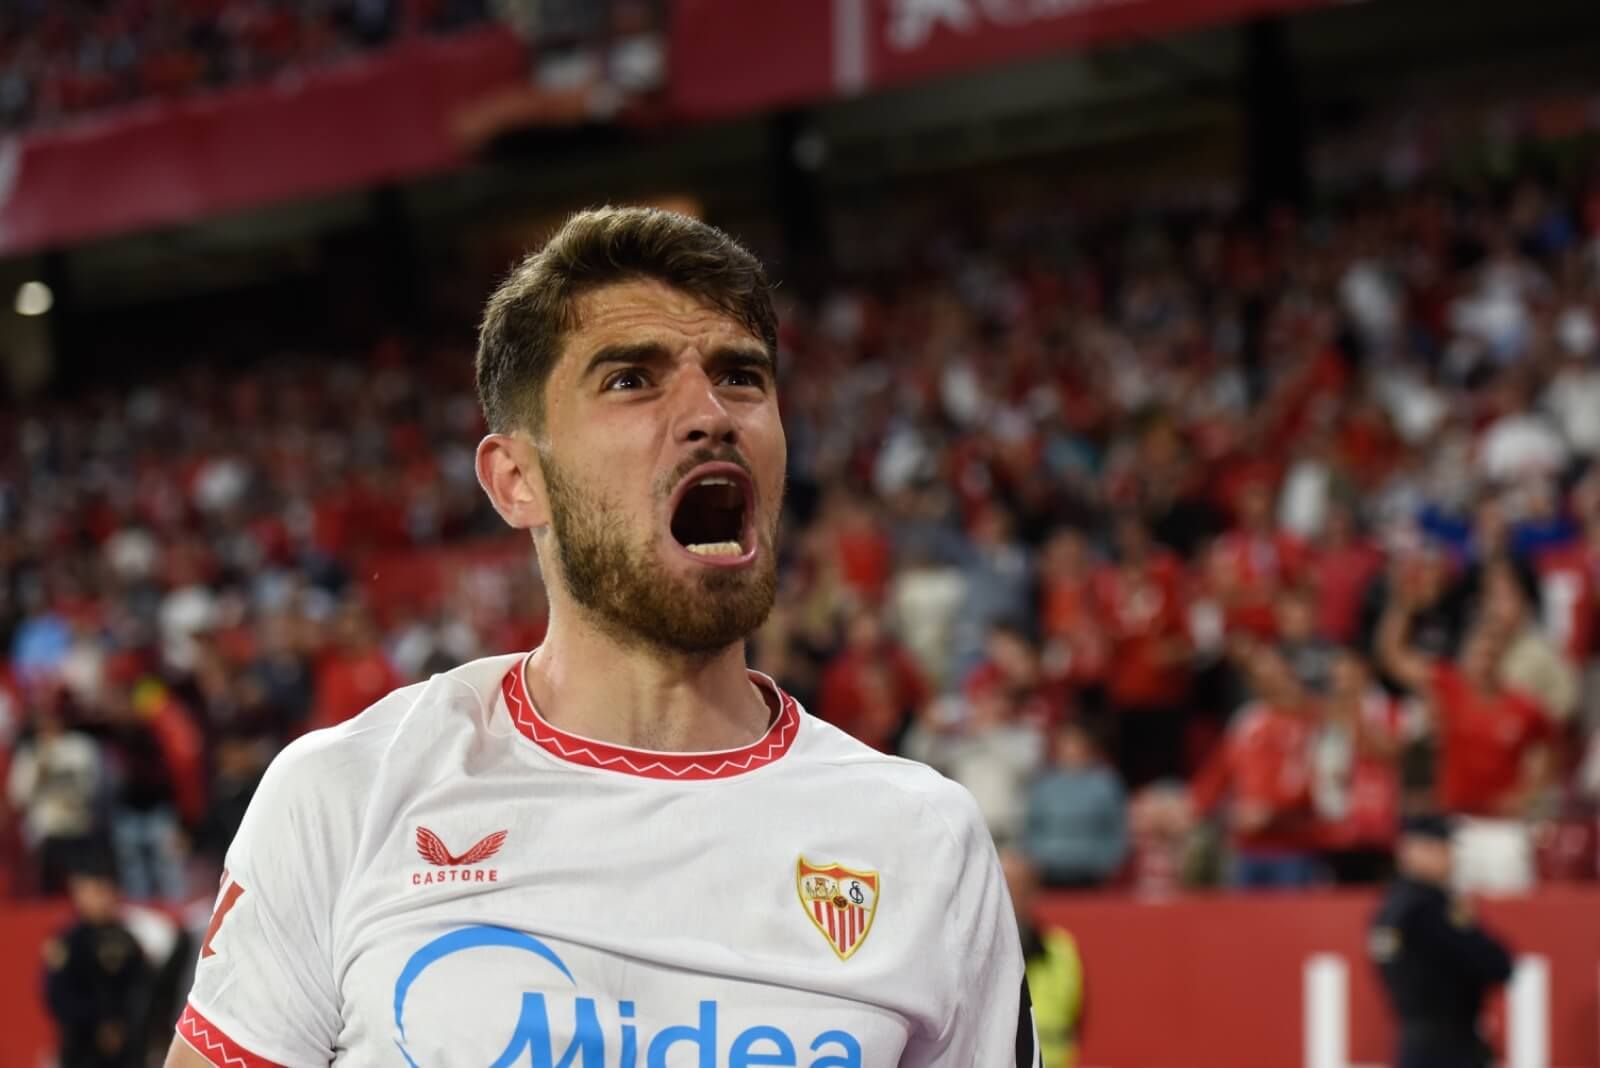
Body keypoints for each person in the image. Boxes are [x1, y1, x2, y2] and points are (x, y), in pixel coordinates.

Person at [166, 207, 1038, 1066]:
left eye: (742, 377)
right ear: (516, 482)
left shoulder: (924, 839)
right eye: (631, 379)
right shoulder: (347, 796)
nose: (709, 413)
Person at [1370, 814, 1514, 1068]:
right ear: (1414, 851)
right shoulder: (1432, 908)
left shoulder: (1388, 908)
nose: (1451, 857)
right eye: (1441, 848)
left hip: (1413, 1046)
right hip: (1451, 1048)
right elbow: (1498, 964)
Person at [44, 855, 152, 1068]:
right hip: (82, 1048)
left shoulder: (128, 940)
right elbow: (57, 996)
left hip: (126, 1048)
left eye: (105, 890)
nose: (101, 898)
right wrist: (98, 1023)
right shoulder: (69, 941)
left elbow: (143, 989)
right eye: (93, 891)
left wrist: (123, 1025)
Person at [1002, 851, 1083, 1068]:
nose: (1006, 898)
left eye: (1015, 889)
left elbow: (1078, 1021)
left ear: (1032, 894)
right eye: (1002, 889)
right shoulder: (973, 954)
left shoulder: (1062, 949)